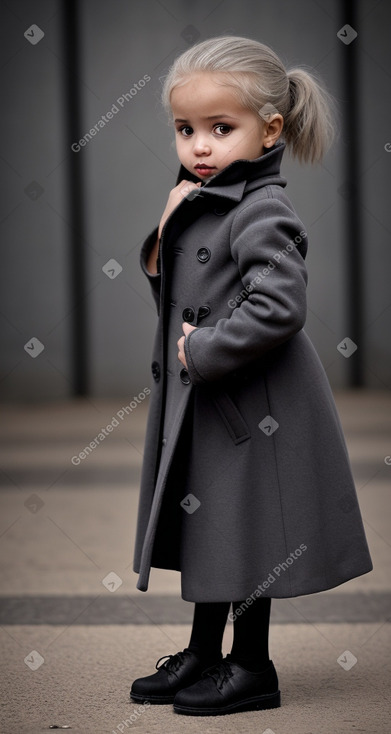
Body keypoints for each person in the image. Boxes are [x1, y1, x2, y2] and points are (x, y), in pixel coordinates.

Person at [130, 35, 373, 716]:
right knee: (214, 528)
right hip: (211, 402)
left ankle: (251, 664)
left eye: (219, 128)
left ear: (269, 129)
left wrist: (202, 350)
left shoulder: (260, 208)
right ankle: (205, 652)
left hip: (251, 403)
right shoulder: (207, 198)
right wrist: (165, 236)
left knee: (248, 534)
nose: (199, 146)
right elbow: (187, 295)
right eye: (185, 130)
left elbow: (279, 307)